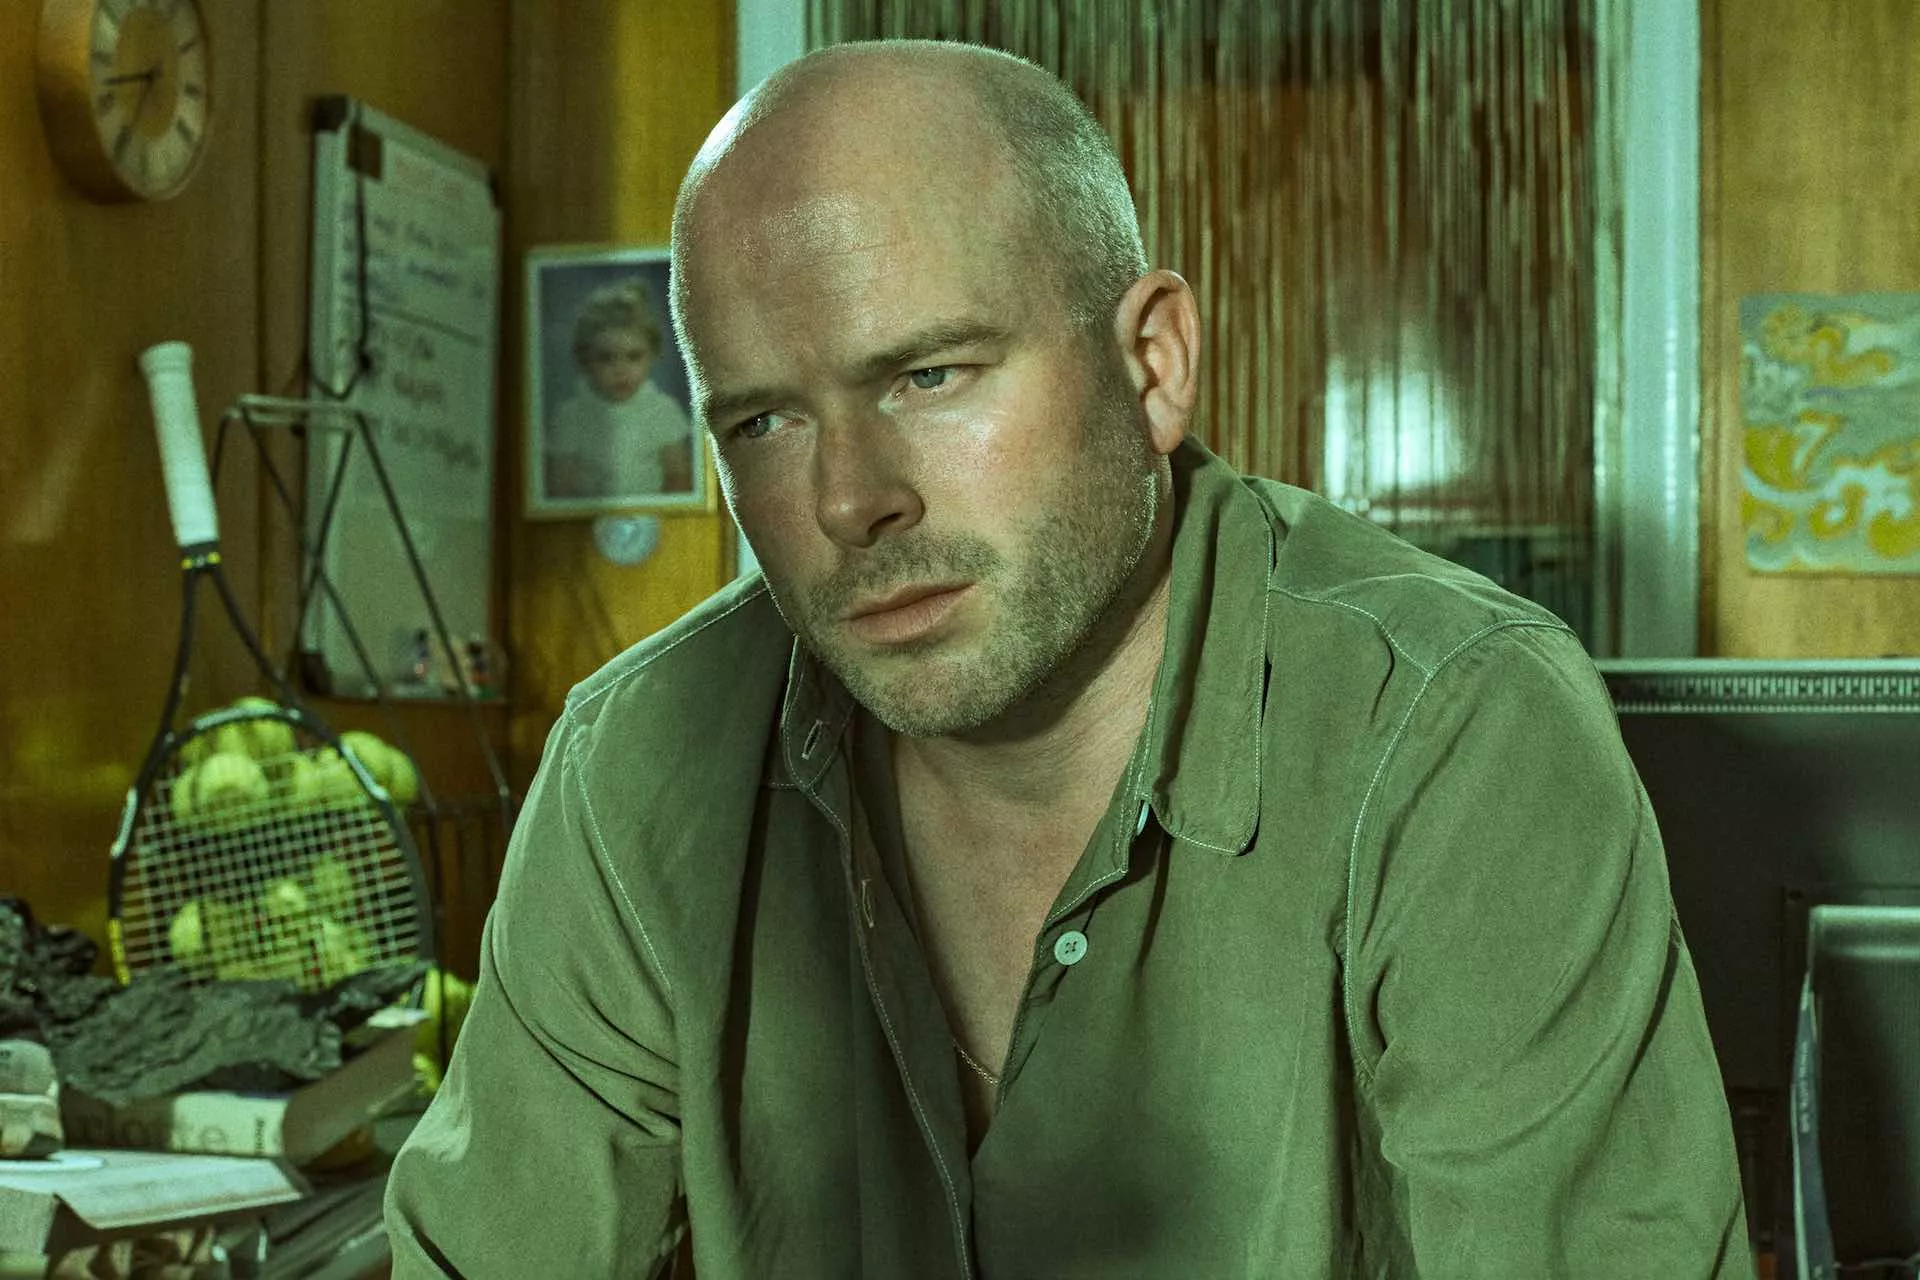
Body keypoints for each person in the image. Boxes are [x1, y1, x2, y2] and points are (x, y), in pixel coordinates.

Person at [387, 38, 1755, 1279]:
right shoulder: (640, 761)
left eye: (929, 375)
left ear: (1152, 364)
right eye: (764, 423)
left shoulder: (1454, 726)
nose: (851, 500)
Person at [544, 277, 694, 501]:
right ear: (584, 360)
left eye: (634, 357)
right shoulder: (570, 415)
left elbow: (678, 476)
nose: (621, 371)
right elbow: (561, 485)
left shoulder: (663, 410)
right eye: (606, 358)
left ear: (652, 355)